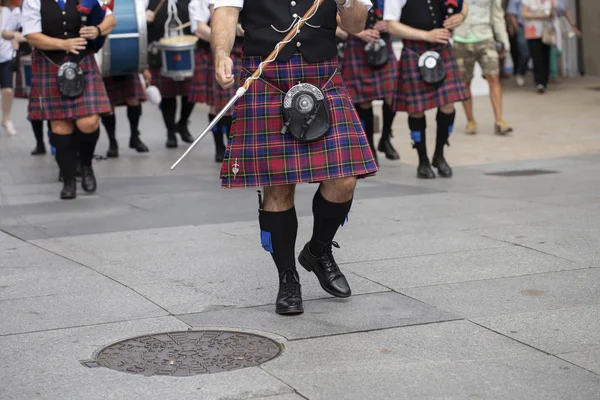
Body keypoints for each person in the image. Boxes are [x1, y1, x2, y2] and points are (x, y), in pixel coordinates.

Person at [212, 0, 378, 315]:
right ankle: (288, 276)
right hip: (267, 75)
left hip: (322, 75)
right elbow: (225, 10)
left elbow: (355, 25)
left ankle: (318, 250)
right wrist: (221, 53)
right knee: (278, 187)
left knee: (343, 180)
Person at [22, 0, 115, 199]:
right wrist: (63, 44)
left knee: (88, 122)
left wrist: (97, 30)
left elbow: (110, 19)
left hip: (82, 61)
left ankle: (87, 165)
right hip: (50, 63)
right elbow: (31, 36)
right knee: (60, 126)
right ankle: (69, 178)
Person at [384, 0, 470, 179]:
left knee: (448, 105)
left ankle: (439, 155)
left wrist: (460, 16)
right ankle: (422, 161)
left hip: (441, 48)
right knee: (416, 110)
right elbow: (391, 25)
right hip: (414, 49)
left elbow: (464, 4)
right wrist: (426, 35)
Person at [339, 0, 400, 163]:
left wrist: (389, 22)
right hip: (357, 44)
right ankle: (369, 147)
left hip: (383, 41)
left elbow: (404, 7)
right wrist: (359, 32)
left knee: (392, 94)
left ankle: (385, 138)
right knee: (364, 101)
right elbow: (333, 15)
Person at [453, 0, 512, 135]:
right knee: (465, 82)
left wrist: (503, 41)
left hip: (486, 36)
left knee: (493, 77)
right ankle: (470, 121)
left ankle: (499, 120)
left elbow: (497, 15)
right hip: (461, 37)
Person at [146, 0, 196, 148]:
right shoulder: (148, 2)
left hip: (188, 53)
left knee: (191, 94)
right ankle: (170, 132)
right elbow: (138, 21)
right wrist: (144, 18)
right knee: (168, 97)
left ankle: (182, 123)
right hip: (160, 54)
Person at [100, 72, 151, 157]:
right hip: (105, 70)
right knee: (108, 105)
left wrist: (144, 69)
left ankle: (134, 137)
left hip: (128, 68)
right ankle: (112, 142)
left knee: (134, 100)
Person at [521, 0, 553, 93]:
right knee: (536, 57)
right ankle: (539, 82)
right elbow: (524, 14)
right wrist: (540, 16)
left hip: (546, 31)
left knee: (545, 56)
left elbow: (552, 13)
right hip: (532, 31)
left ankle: (545, 81)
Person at [0, 2, 18, 136]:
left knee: (7, 90)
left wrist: (15, 52)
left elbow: (12, 31)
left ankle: (6, 119)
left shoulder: (7, 12)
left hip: (5, 57)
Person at [507, 0, 531, 86]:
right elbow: (511, 13)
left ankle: (540, 79)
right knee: (525, 53)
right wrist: (516, 28)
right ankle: (520, 73)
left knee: (536, 52)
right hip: (522, 27)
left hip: (535, 26)